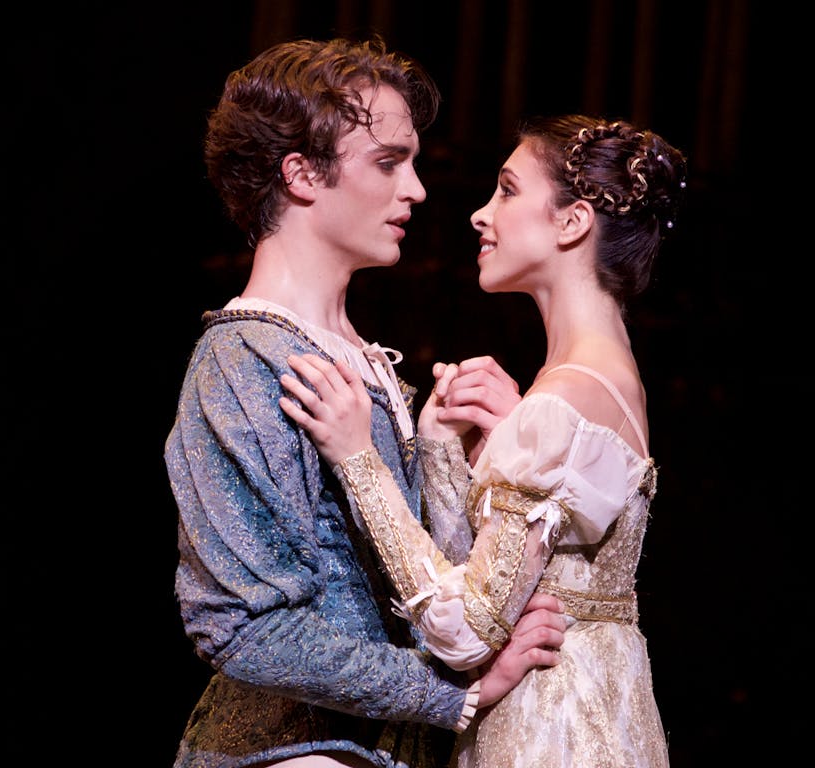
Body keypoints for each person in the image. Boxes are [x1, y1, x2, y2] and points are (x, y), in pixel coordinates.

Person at [164, 37, 568, 768]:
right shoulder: (245, 360)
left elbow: (423, 591)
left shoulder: (367, 364)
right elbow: (241, 626)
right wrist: (456, 696)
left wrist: (451, 452)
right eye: (388, 163)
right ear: (301, 173)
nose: (415, 189)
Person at [279, 114, 687, 767]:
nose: (479, 213)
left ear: (571, 222)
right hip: (594, 716)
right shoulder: (595, 385)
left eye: (507, 190)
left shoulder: (566, 401)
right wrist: (447, 448)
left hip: (552, 735)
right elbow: (487, 580)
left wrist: (359, 458)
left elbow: (467, 630)